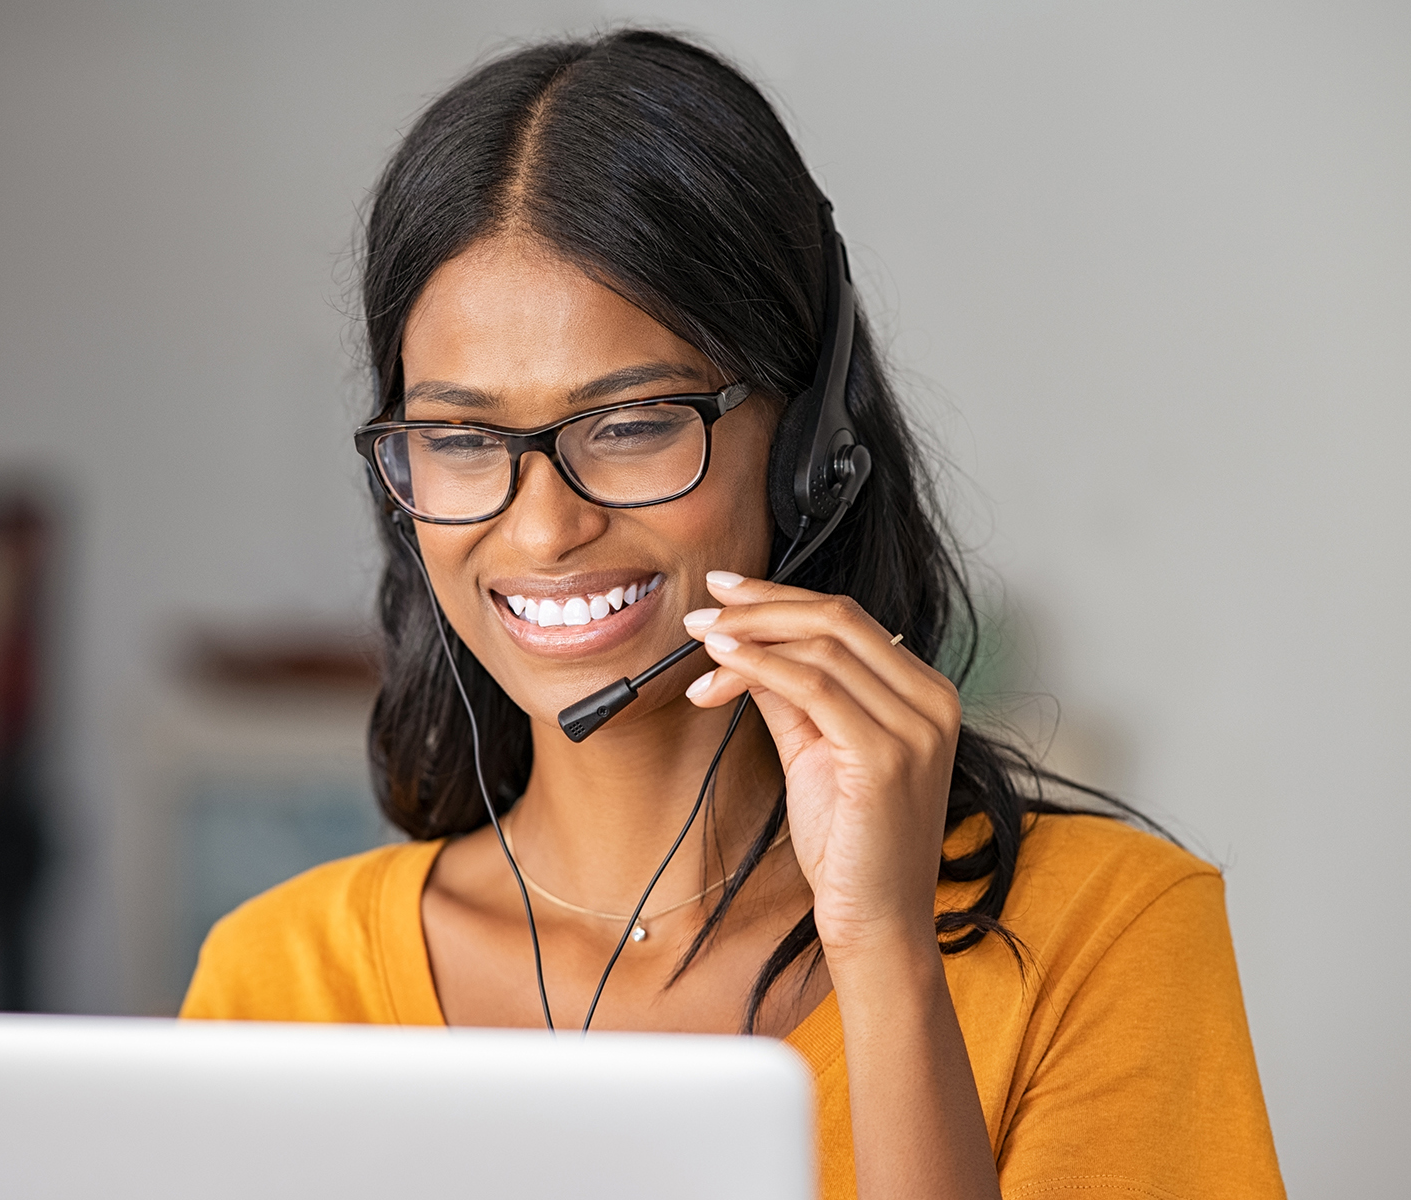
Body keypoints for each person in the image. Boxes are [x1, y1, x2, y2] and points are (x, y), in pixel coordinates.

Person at [182, 29, 1284, 1200]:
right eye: (458, 438)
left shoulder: (1107, 936)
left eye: (630, 423)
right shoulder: (279, 984)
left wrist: (886, 961)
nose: (543, 530)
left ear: (808, 448)